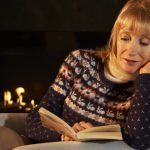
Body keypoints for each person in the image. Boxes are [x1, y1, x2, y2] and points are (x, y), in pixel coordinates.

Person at [25, 0, 150, 149]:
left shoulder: (146, 88)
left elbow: (139, 141)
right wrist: (65, 137)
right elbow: (34, 120)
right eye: (125, 38)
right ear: (115, 37)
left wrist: (145, 79)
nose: (131, 51)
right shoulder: (80, 62)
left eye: (144, 43)